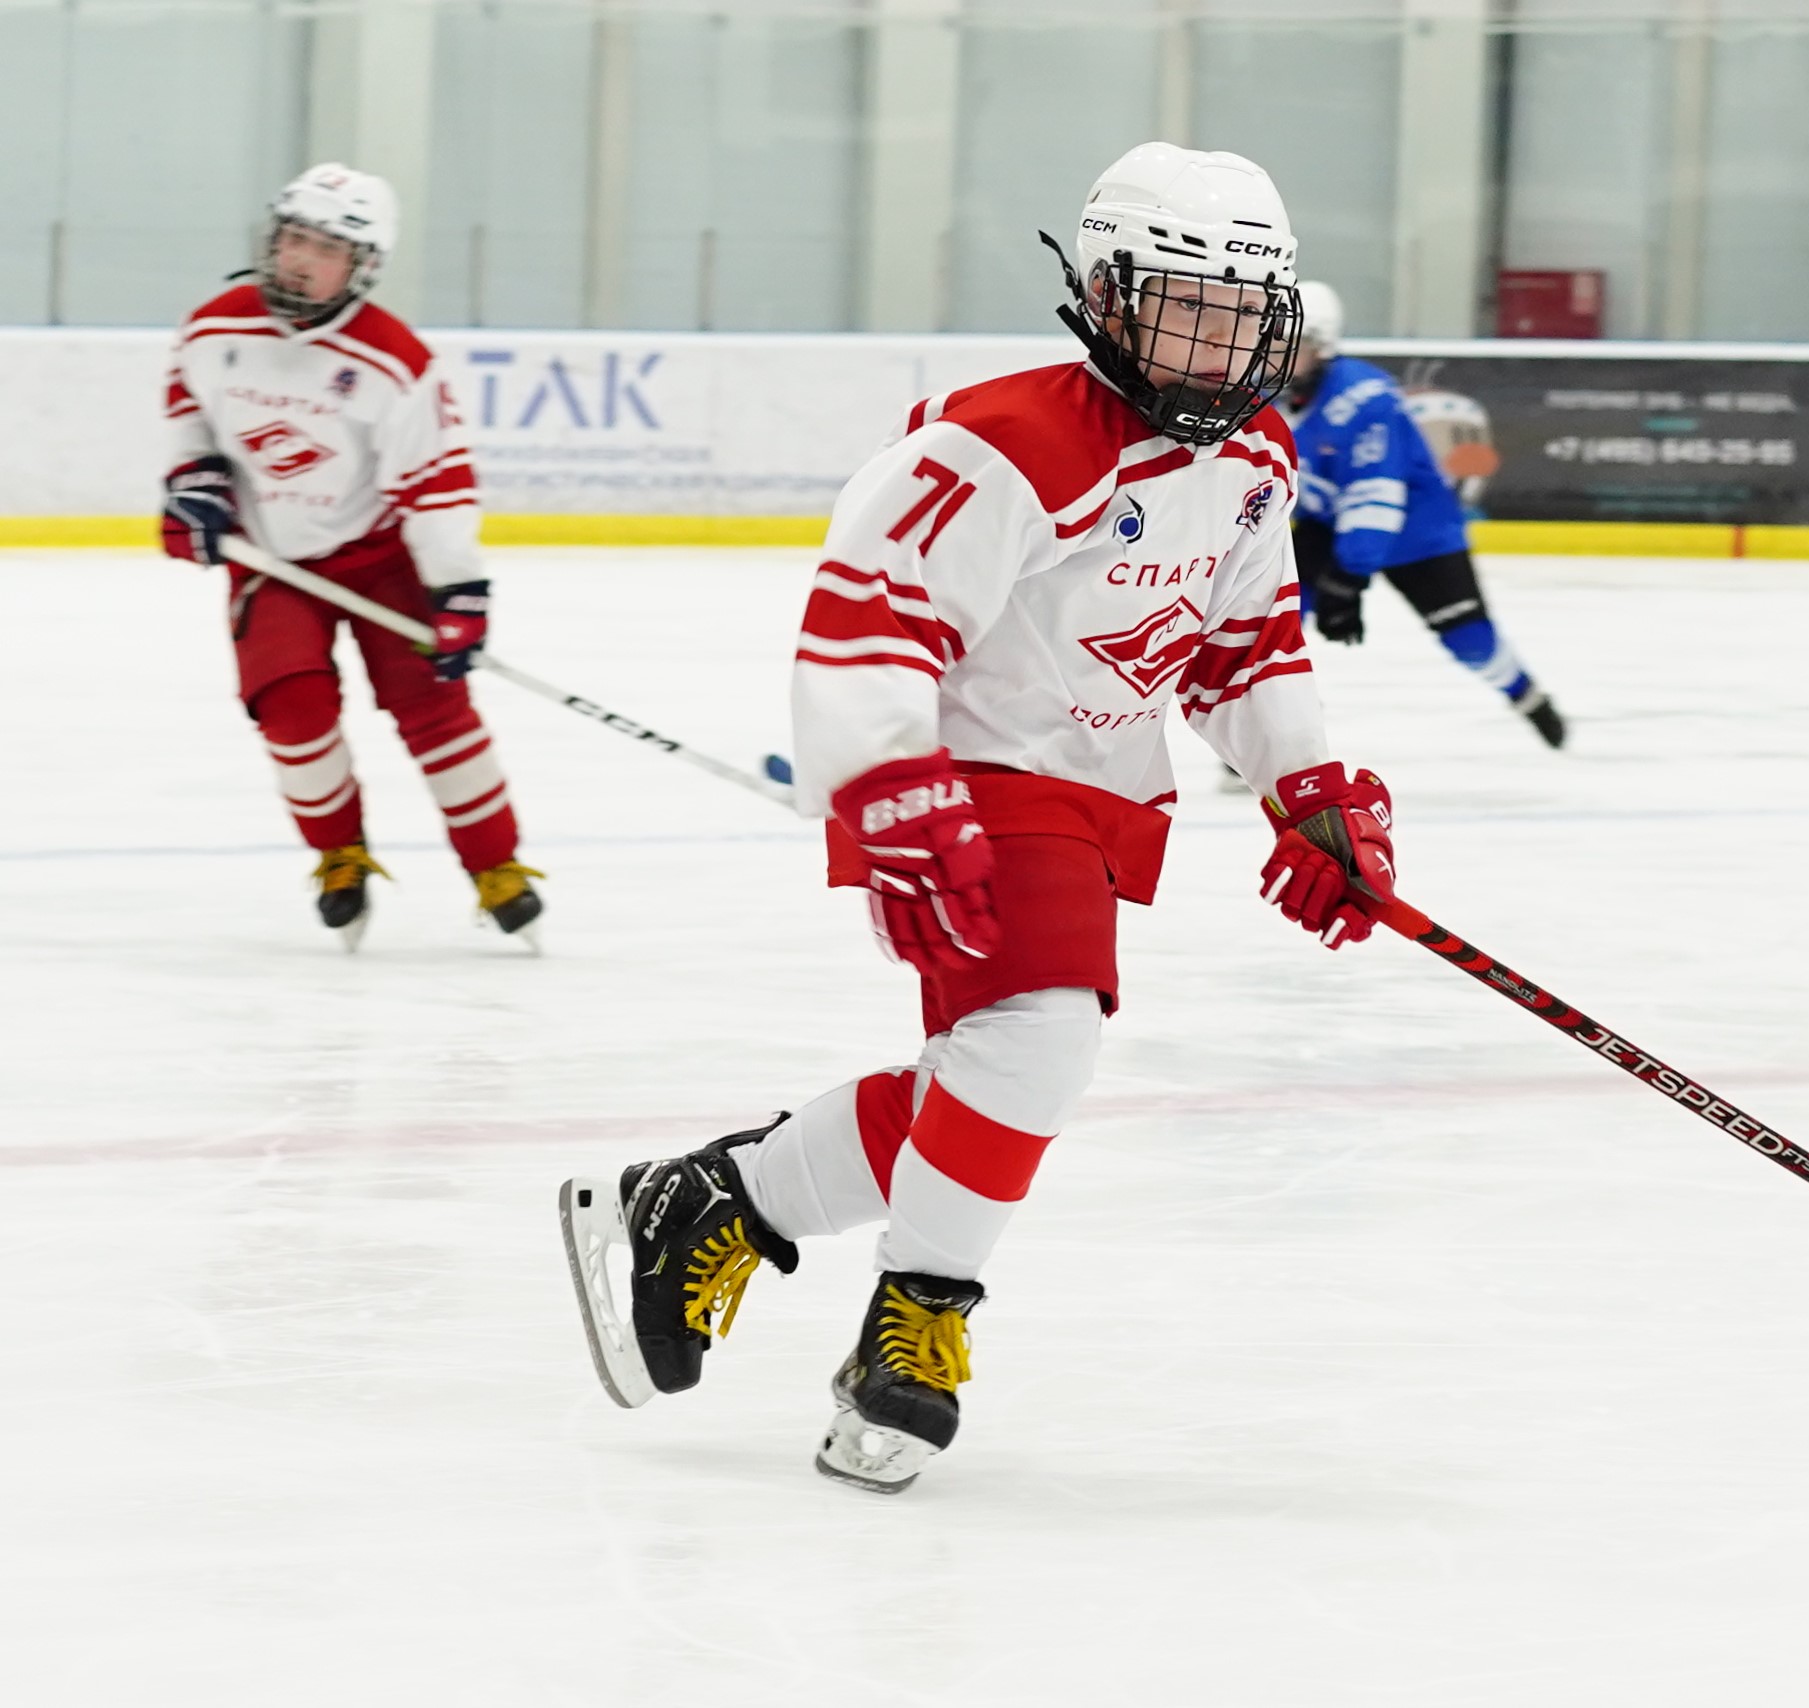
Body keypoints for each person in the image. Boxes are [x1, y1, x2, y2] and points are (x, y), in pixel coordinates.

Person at [556, 143, 1400, 1495]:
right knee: (1039, 1037)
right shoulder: (1003, 441)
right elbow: (869, 620)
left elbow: (1241, 642)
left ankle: (712, 1202)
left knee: (992, 1082)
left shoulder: (1254, 454)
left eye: (1243, 312)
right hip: (967, 781)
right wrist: (889, 783)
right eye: (1186, 304)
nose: (1217, 341)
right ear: (1110, 297)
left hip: (1096, 791)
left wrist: (1304, 785)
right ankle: (918, 1321)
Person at [162, 163, 540, 949]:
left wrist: (458, 592)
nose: (300, 258)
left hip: (382, 561)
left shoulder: (394, 362)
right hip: (272, 562)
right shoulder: (215, 329)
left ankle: (495, 865)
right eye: (293, 237)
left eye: (325, 247)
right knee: (292, 712)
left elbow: (436, 488)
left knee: (435, 713)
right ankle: (339, 857)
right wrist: (193, 484)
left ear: (362, 266)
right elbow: (188, 418)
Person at [1285, 280, 1567, 747]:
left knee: (1469, 639)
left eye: (1292, 344)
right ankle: (1273, 726)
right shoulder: (1261, 390)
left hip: (1418, 533)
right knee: (1274, 620)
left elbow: (1374, 496)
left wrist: (1347, 578)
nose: (1274, 354)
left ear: (1323, 347)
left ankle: (1525, 694)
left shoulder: (1366, 399)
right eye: (1271, 338)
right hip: (1327, 521)